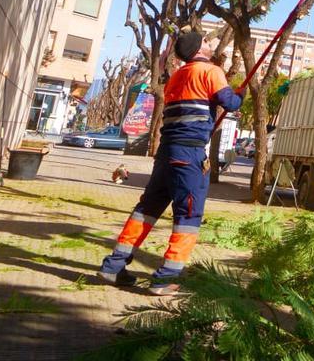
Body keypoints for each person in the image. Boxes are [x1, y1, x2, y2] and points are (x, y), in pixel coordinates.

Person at [97, 30, 241, 295]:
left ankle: (113, 266)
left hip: (166, 153)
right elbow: (230, 102)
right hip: (189, 154)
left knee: (147, 208)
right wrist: (238, 95)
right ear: (198, 49)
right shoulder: (210, 71)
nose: (210, 43)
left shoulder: (177, 76)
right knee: (188, 215)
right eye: (206, 41)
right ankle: (165, 279)